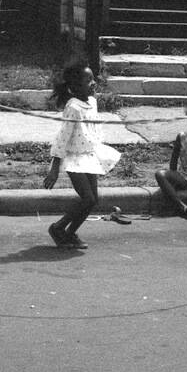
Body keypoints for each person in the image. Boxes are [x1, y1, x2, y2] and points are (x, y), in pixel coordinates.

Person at [42, 61, 121, 249]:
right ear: (75, 86)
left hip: (89, 156)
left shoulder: (92, 102)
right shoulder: (73, 108)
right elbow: (62, 138)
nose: (94, 83)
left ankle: (69, 233)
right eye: (88, 81)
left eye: (93, 79)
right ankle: (58, 228)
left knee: (93, 200)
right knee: (88, 199)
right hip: (75, 158)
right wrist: (54, 169)